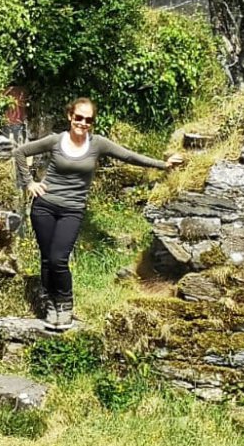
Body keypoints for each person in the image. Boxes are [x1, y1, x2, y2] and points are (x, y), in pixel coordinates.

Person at [13, 97, 184, 329]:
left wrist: (163, 165)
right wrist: (30, 183)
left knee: (58, 259)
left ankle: (65, 304)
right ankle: (50, 304)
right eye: (79, 118)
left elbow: (130, 156)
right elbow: (21, 152)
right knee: (46, 258)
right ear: (70, 116)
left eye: (88, 120)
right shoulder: (56, 140)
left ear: (92, 122)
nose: (83, 123)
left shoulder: (97, 144)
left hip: (72, 210)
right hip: (44, 206)